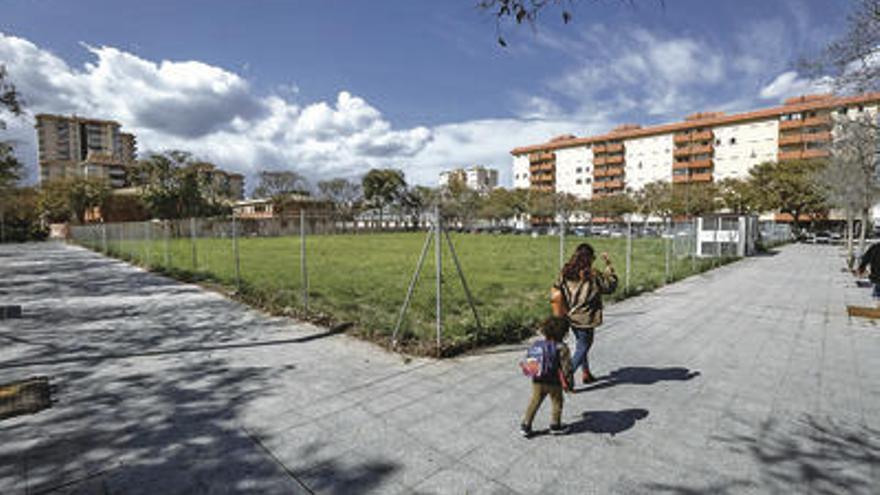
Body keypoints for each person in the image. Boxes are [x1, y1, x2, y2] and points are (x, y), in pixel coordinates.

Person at [551, 243, 618, 384]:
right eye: (593, 257)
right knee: (584, 346)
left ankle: (586, 373)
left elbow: (556, 288)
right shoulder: (593, 274)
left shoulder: (565, 272)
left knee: (581, 344)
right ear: (589, 258)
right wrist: (609, 267)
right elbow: (610, 287)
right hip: (586, 317)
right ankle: (566, 373)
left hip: (570, 315)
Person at [520, 316, 574, 438]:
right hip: (554, 382)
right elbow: (567, 368)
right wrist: (569, 383)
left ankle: (526, 426)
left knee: (535, 401)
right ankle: (555, 425)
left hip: (537, 380)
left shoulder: (537, 345)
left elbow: (531, 362)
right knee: (557, 402)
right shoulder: (562, 347)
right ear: (563, 333)